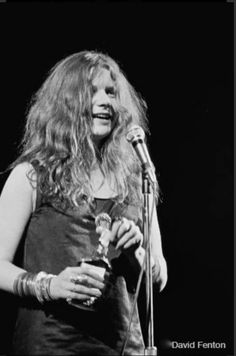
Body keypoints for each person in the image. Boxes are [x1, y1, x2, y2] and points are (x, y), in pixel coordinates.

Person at [0, 50, 167, 355]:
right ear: (66, 102)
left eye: (111, 92)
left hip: (121, 348)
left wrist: (136, 250)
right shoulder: (32, 175)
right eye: (92, 92)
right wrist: (47, 285)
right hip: (50, 345)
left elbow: (159, 279)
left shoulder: (137, 181)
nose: (105, 101)